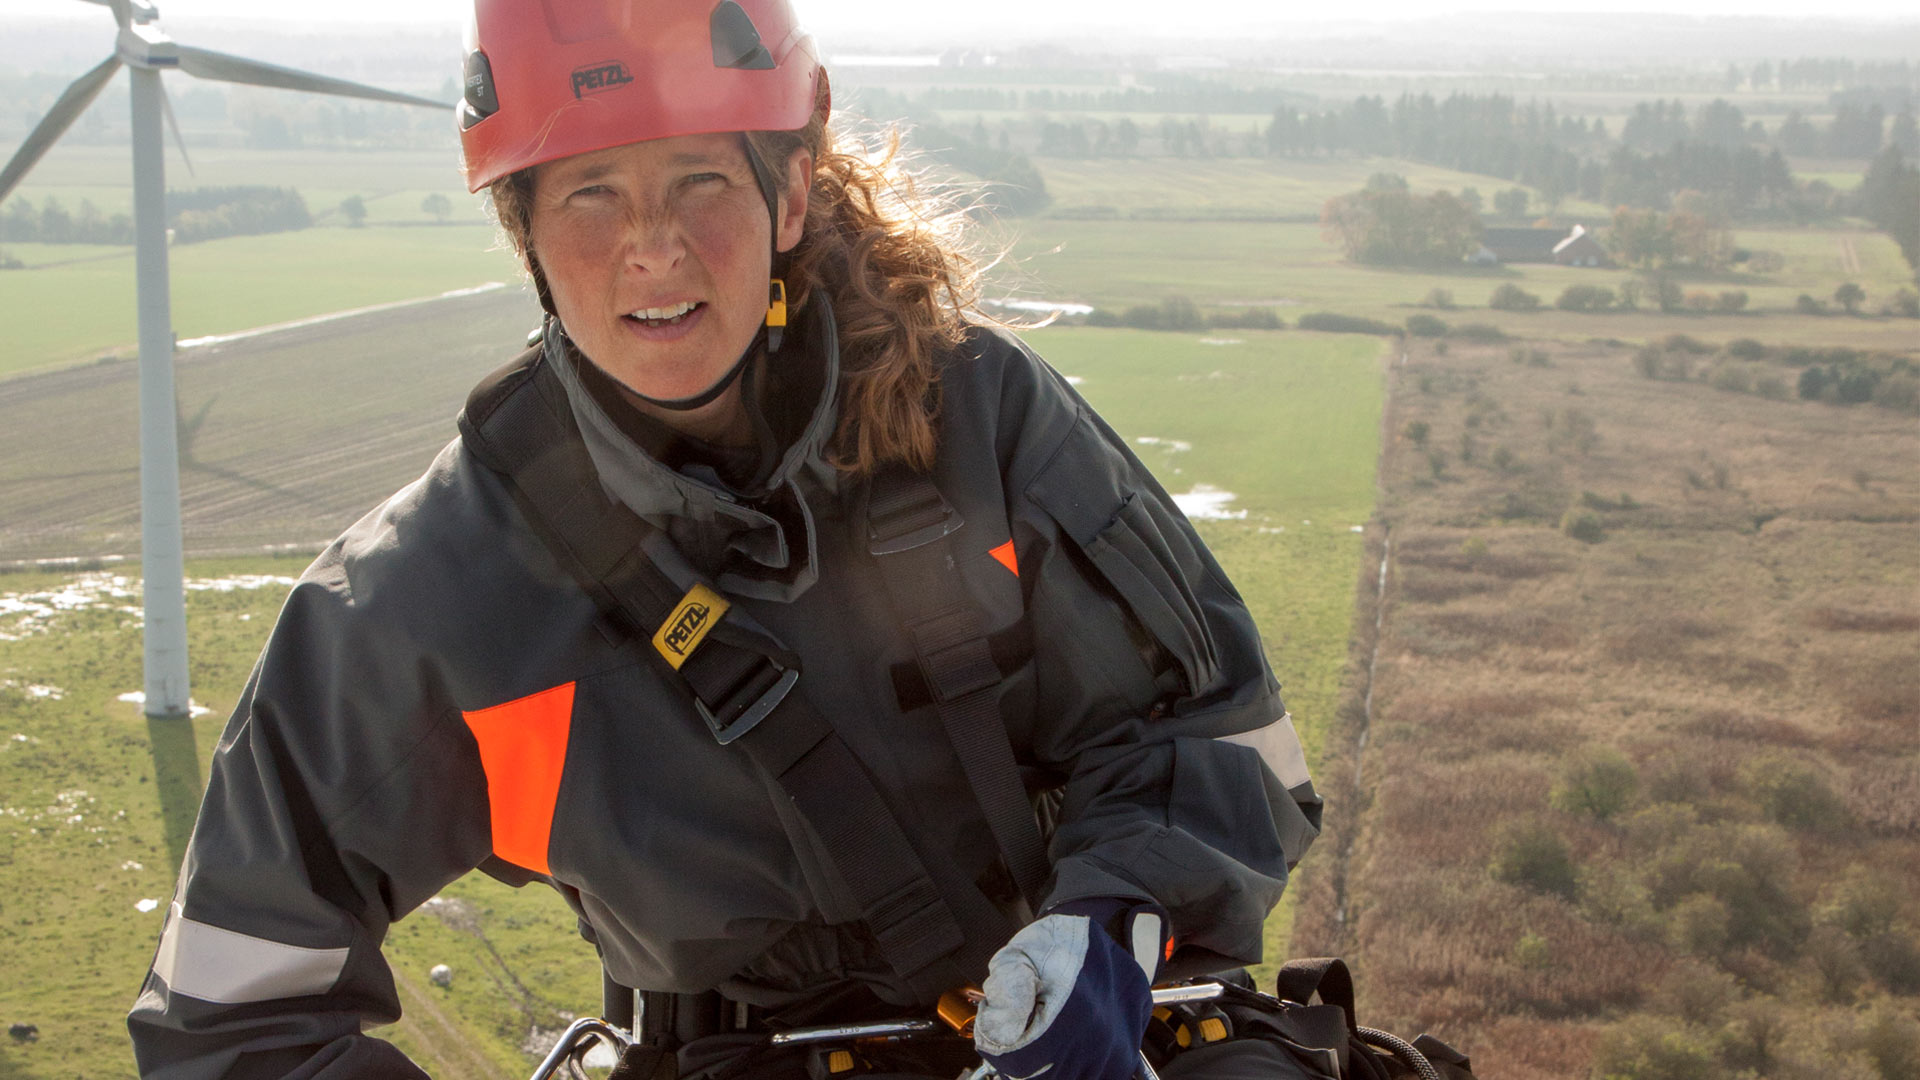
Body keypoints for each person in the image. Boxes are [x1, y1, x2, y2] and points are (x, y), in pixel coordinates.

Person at [127, 0, 1322, 1077]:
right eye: (590, 191)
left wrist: (1114, 923)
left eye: (700, 179)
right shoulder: (436, 597)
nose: (653, 248)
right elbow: (233, 1016)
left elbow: (1222, 736)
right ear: (525, 231)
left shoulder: (978, 420)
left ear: (789, 191)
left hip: (1095, 1044)